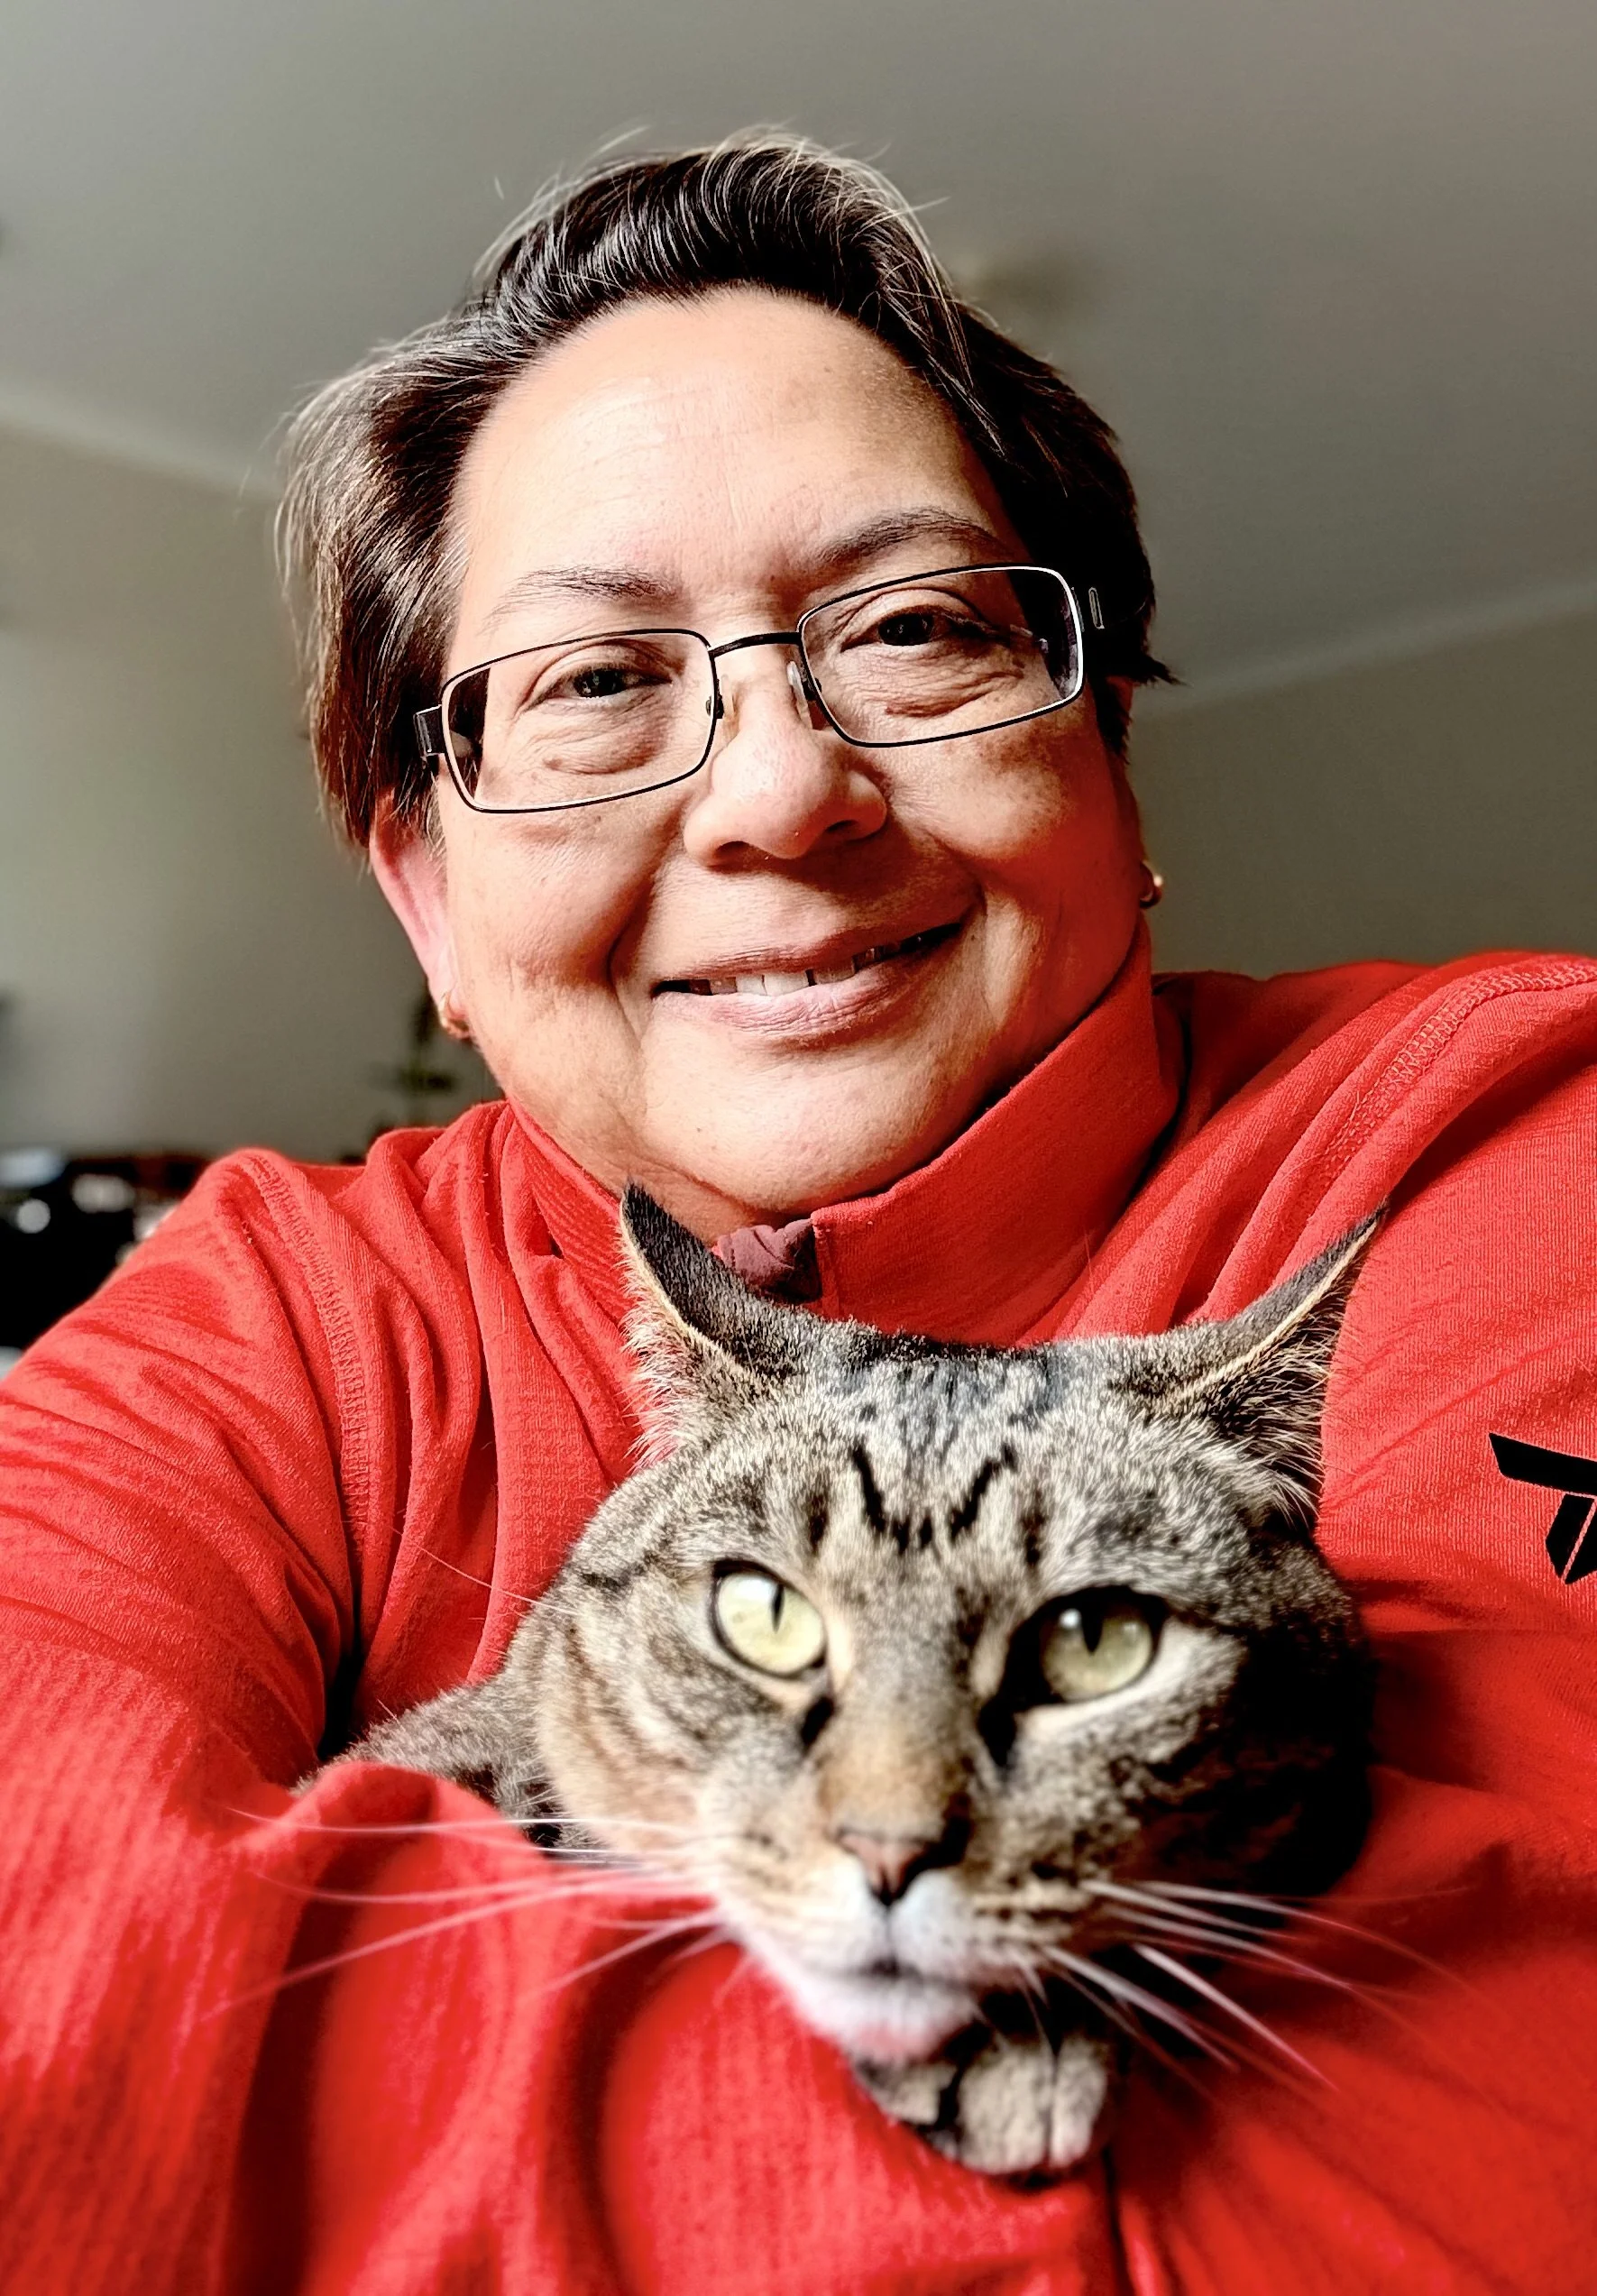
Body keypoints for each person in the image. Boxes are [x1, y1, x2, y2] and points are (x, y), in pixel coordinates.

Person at [2, 136, 1592, 2296]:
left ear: (1106, 765)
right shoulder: (274, 1304)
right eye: (593, 683)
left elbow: (1463, 2170)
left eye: (916, 631)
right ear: (431, 906)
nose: (776, 798)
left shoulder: (1520, 1142)